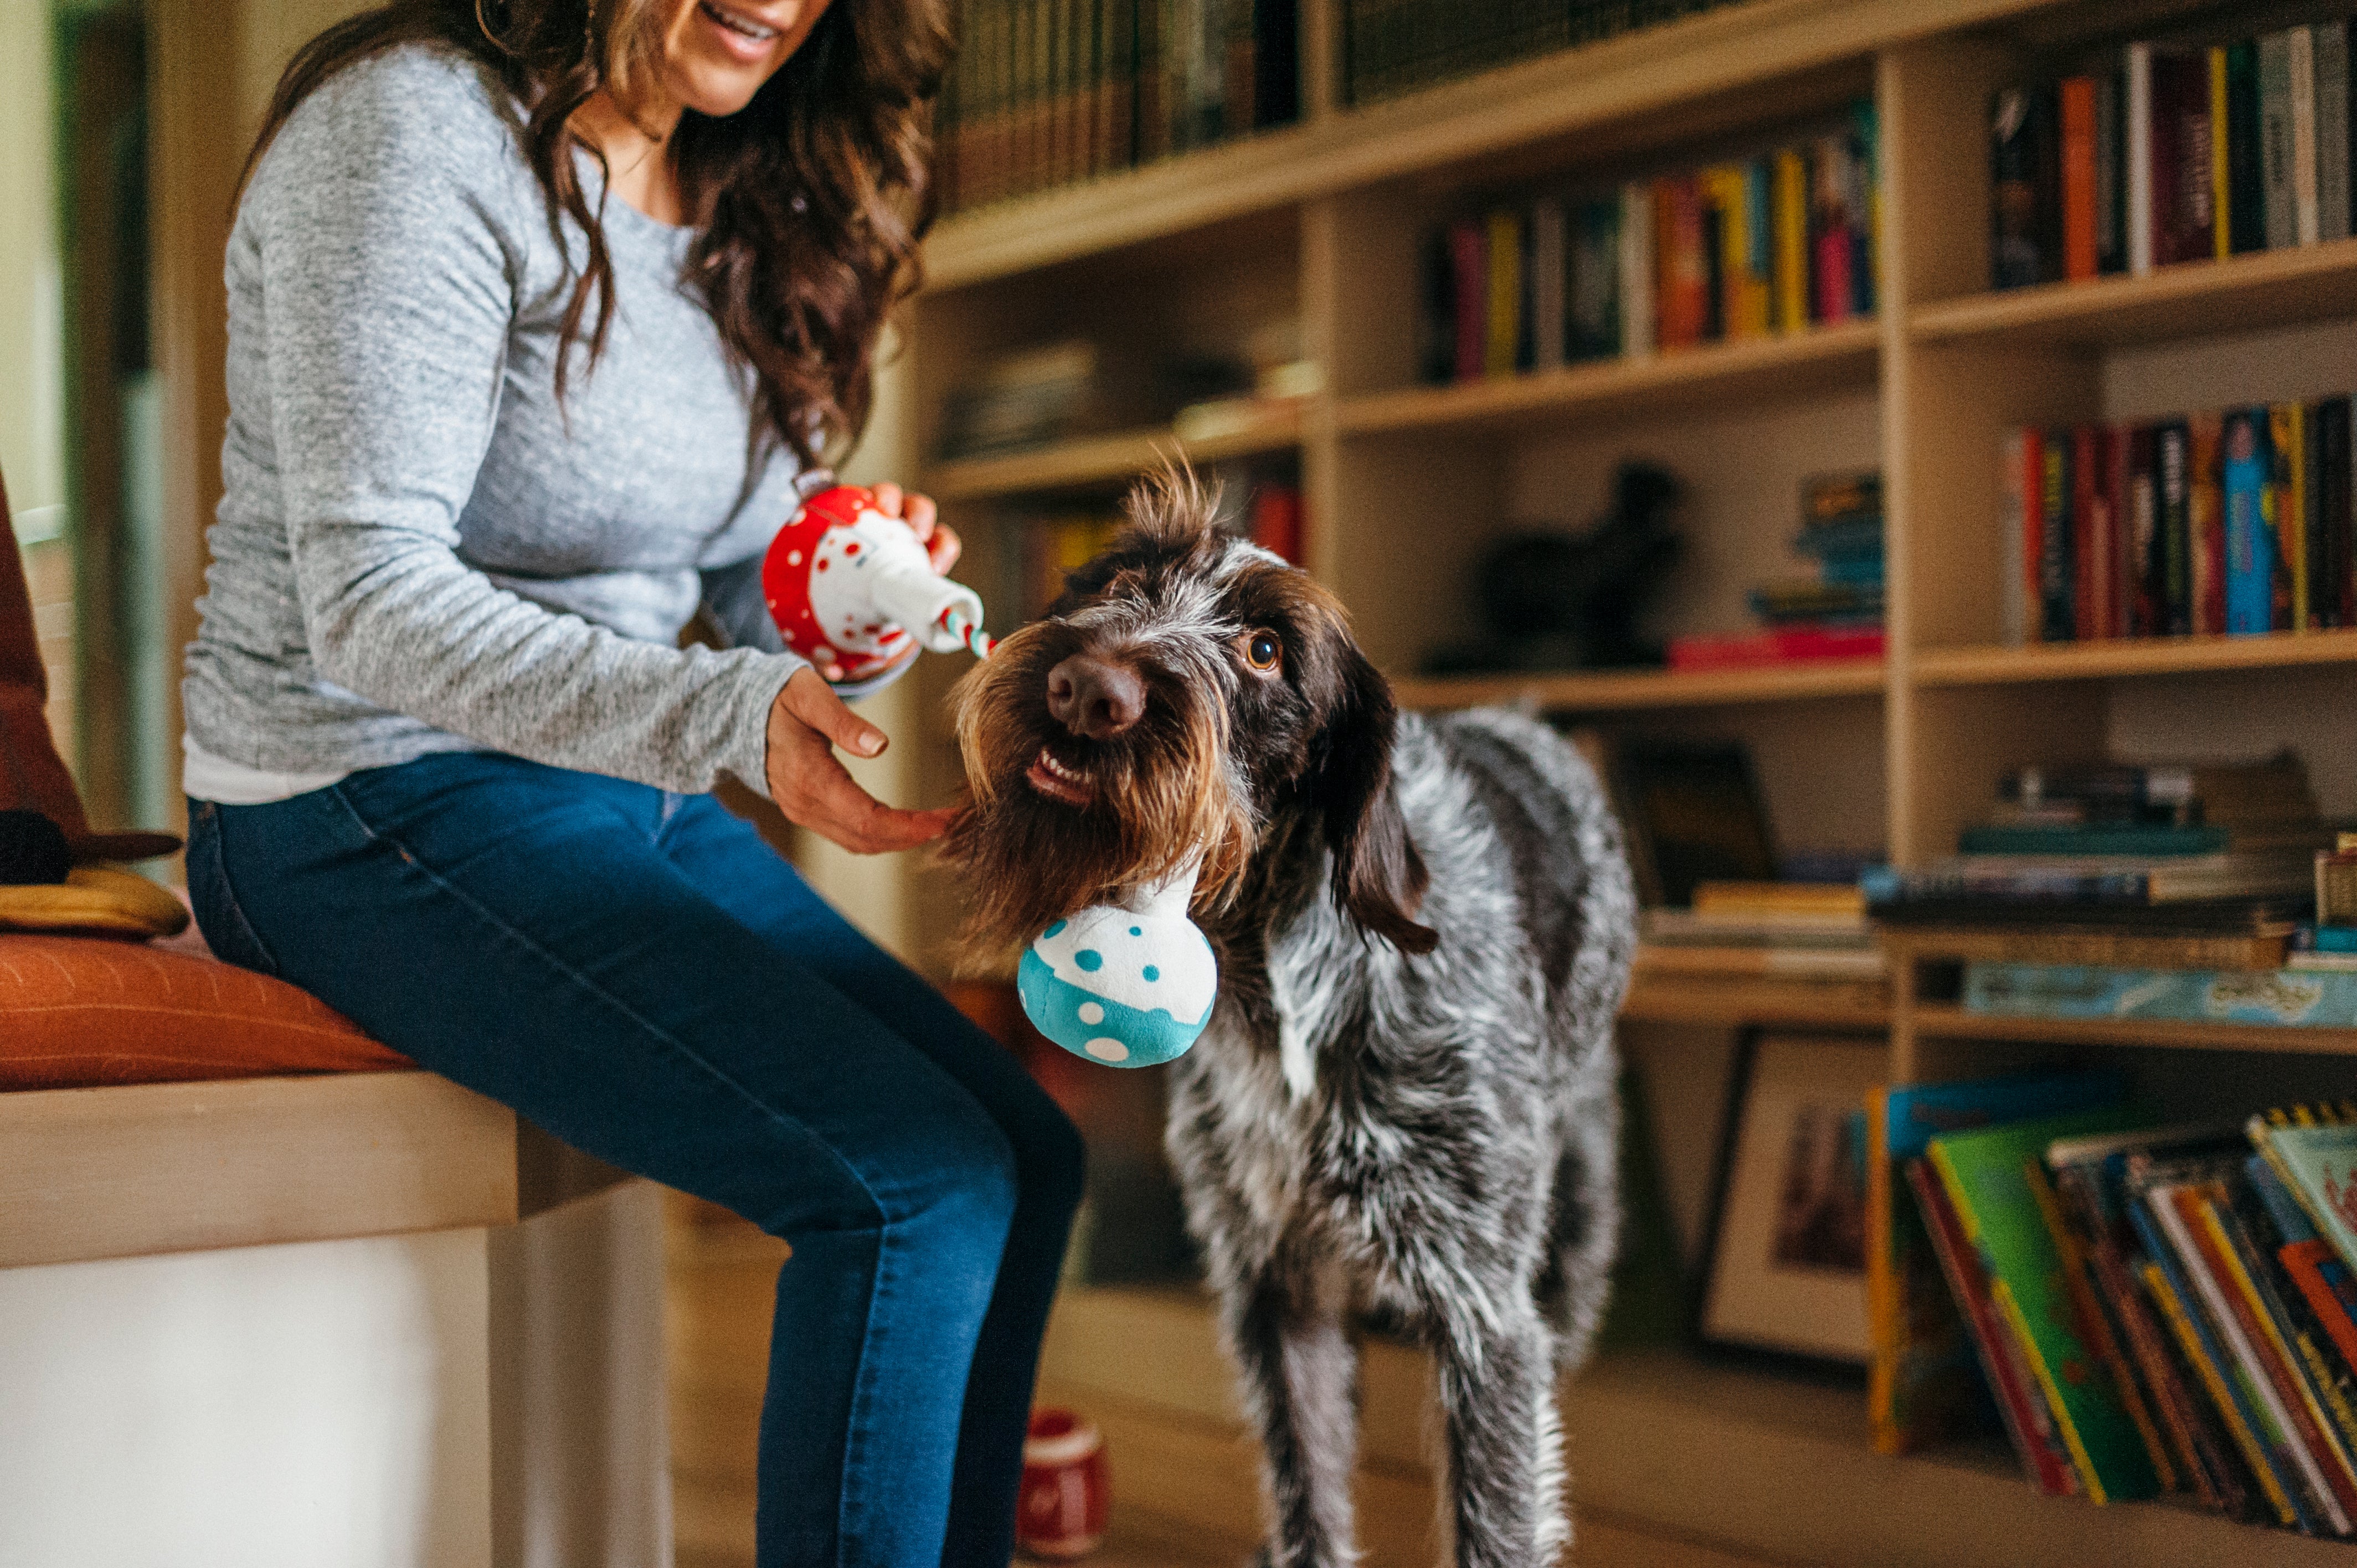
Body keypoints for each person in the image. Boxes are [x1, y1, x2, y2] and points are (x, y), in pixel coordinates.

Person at [177, 3, 1085, 1564]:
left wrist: (859, 608)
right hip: (353, 798)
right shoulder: (416, 131)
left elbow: (747, 602)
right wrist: (728, 713)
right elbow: (372, 599)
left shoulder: (739, 186)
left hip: (609, 787)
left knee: (1026, 1152)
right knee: (908, 1189)